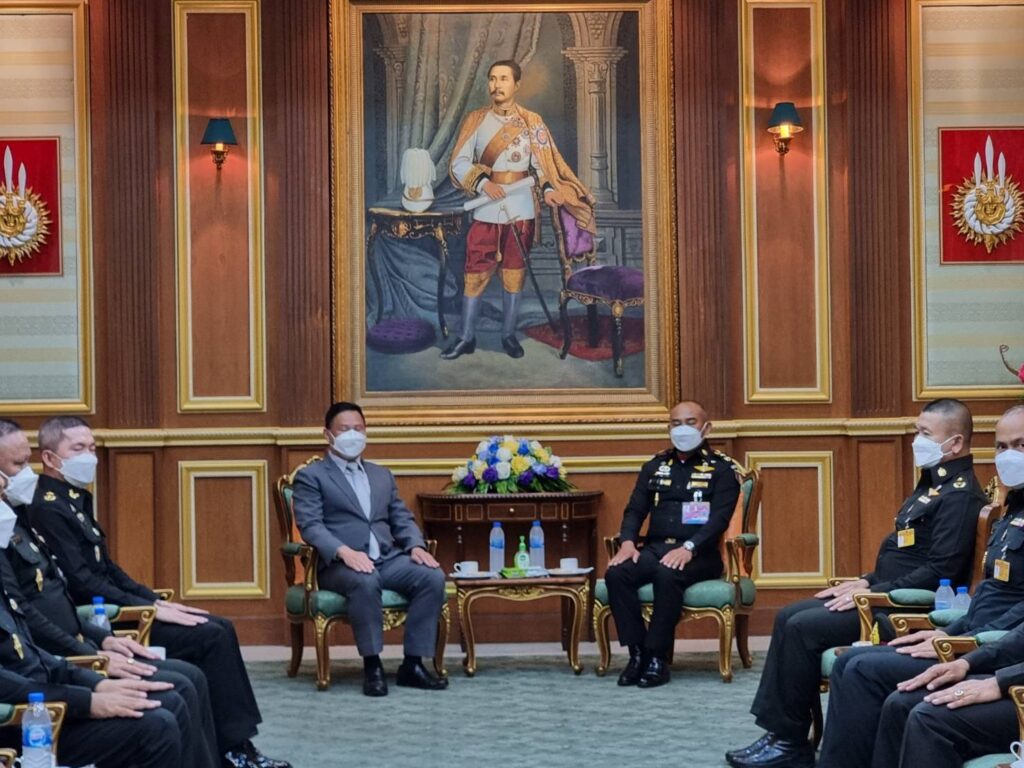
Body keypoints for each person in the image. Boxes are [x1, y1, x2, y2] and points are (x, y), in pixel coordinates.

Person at [728, 398, 985, 768]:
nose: (916, 440)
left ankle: (789, 743)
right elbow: (904, 554)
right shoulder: (933, 485)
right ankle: (782, 735)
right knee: (788, 616)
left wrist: (874, 592)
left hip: (905, 605)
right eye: (917, 431)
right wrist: (863, 581)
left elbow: (939, 570)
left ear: (955, 443)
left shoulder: (959, 495)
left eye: (925, 434)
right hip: (882, 592)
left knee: (802, 627)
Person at [24, 415, 290, 768]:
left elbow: (109, 570)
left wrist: (153, 600)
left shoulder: (74, 499)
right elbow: (83, 583)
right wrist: (147, 609)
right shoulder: (46, 507)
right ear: (49, 458)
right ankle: (233, 748)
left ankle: (234, 746)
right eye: (78, 448)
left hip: (116, 610)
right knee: (210, 637)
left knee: (217, 627)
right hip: (106, 619)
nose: (89, 456)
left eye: (91, 448)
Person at [0, 418, 219, 767]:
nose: (24, 477)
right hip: (27, 716)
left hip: (54, 678)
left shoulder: (21, 521)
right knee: (159, 718)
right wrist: (87, 692)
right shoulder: (40, 512)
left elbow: (32, 634)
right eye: (17, 465)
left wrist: (95, 664)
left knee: (172, 694)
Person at [817, 404, 1024, 768]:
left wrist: (971, 650)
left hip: (996, 650)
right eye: (1002, 447)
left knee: (890, 692)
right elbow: (988, 599)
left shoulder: (962, 495)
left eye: (1021, 445)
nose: (1009, 456)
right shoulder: (1013, 508)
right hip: (984, 643)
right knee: (859, 669)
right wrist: (949, 634)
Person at [442, 58, 595, 360]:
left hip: (521, 210)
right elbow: (458, 162)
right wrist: (483, 183)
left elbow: (542, 167)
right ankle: (466, 336)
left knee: (514, 274)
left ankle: (508, 335)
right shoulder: (476, 119)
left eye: (503, 79)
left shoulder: (531, 121)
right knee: (475, 274)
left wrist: (549, 191)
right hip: (486, 209)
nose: (496, 84)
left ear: (517, 84)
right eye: (492, 78)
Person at [292, 401, 448, 696]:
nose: (353, 435)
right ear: (327, 434)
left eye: (359, 429)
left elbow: (401, 518)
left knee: (432, 576)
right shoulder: (312, 476)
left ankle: (413, 665)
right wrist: (344, 552)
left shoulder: (381, 475)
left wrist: (415, 546)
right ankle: (372, 665)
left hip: (387, 559)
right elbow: (311, 526)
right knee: (365, 580)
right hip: (340, 565)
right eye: (344, 429)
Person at [604, 400, 741, 689]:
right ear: (668, 428)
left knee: (668, 573)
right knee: (617, 573)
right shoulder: (654, 467)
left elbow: (719, 520)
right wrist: (627, 543)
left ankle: (657, 658)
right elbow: (635, 510)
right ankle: (637, 654)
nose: (683, 429)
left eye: (691, 422)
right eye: (676, 423)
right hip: (656, 549)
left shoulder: (721, 470)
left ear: (706, 428)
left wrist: (688, 548)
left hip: (700, 554)